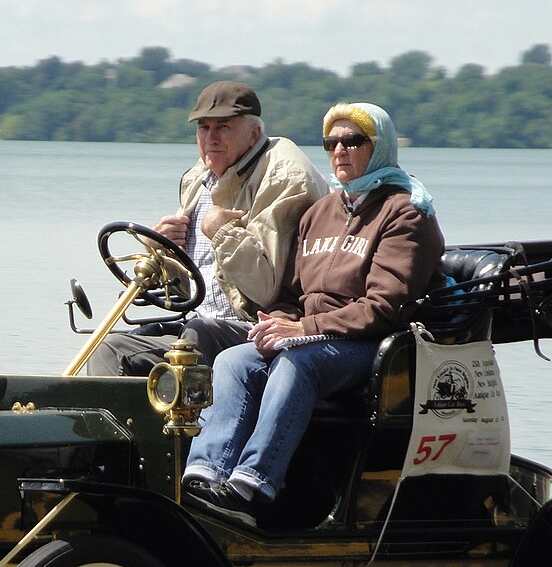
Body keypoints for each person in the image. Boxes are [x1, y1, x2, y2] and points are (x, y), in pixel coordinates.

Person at [182, 102, 445, 528]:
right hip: (311, 335)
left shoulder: (405, 213)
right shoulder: (320, 213)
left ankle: (252, 485)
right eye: (331, 142)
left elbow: (384, 307)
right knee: (234, 359)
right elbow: (290, 293)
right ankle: (204, 476)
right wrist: (274, 322)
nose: (340, 150)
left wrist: (302, 329)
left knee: (295, 363)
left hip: (366, 344)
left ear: (379, 147)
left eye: (353, 141)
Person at [85, 80, 327, 376]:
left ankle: (188, 420)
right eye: (203, 128)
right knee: (108, 348)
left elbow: (266, 290)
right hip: (200, 322)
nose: (210, 138)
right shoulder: (200, 177)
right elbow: (190, 289)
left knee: (195, 337)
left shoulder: (284, 177)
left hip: (262, 328)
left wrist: (222, 232)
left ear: (253, 134)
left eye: (223, 127)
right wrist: (161, 251)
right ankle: (118, 421)